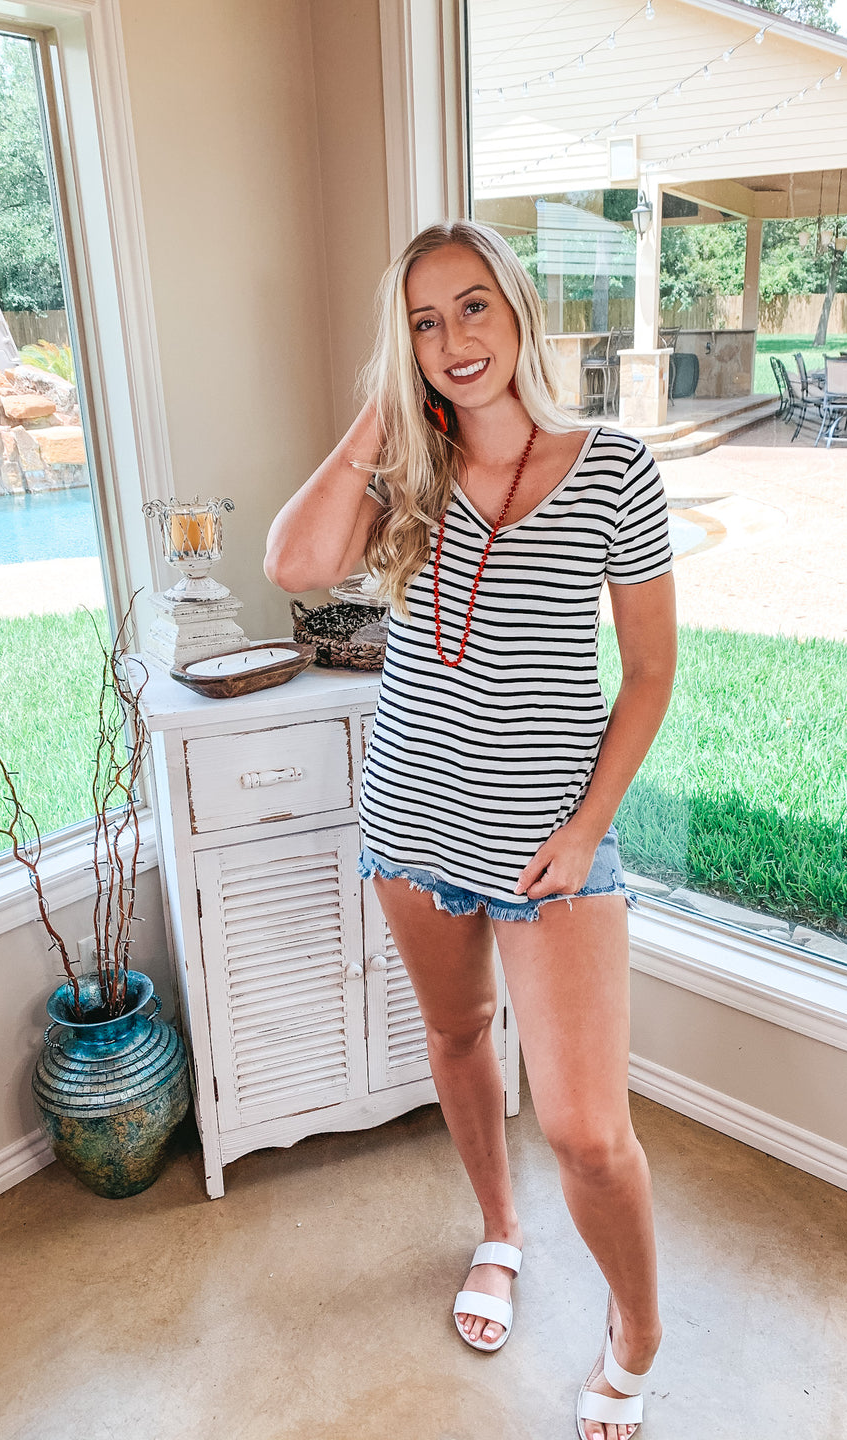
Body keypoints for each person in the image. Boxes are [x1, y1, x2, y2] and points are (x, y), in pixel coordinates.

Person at [264, 219, 677, 1440]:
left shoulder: (612, 467)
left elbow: (648, 671)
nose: (454, 340)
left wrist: (589, 826)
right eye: (424, 322)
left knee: (590, 1133)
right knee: (457, 1039)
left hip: (551, 842)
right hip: (412, 824)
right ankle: (499, 1233)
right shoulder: (410, 472)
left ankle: (638, 1323)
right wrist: (384, 419)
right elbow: (294, 563)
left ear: (520, 312)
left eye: (473, 307)